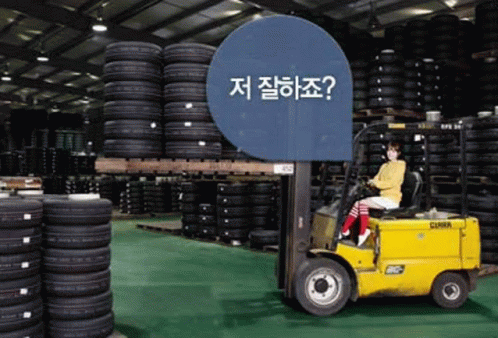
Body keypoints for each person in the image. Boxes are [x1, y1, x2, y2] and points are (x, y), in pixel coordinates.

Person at [339, 142, 406, 247]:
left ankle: (349, 230)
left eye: (393, 151)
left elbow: (392, 183)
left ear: (398, 153)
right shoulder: (384, 165)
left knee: (361, 203)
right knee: (359, 203)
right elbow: (377, 178)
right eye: (389, 150)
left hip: (392, 199)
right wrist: (370, 183)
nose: (390, 153)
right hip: (383, 197)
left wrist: (376, 184)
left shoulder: (400, 165)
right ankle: (352, 231)